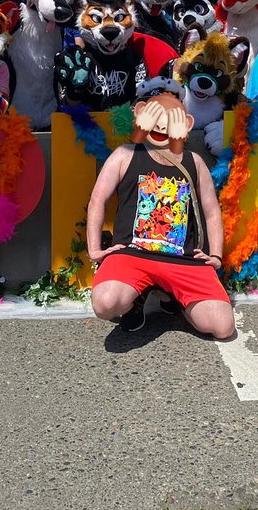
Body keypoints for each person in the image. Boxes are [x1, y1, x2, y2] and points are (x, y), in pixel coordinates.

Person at [86, 92, 234, 339]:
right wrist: (94, 250)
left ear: (185, 124)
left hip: (183, 260)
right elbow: (97, 201)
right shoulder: (124, 154)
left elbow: (211, 212)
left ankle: (174, 298)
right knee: (105, 303)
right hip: (133, 254)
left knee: (222, 327)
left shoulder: (194, 162)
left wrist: (216, 255)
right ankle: (138, 297)